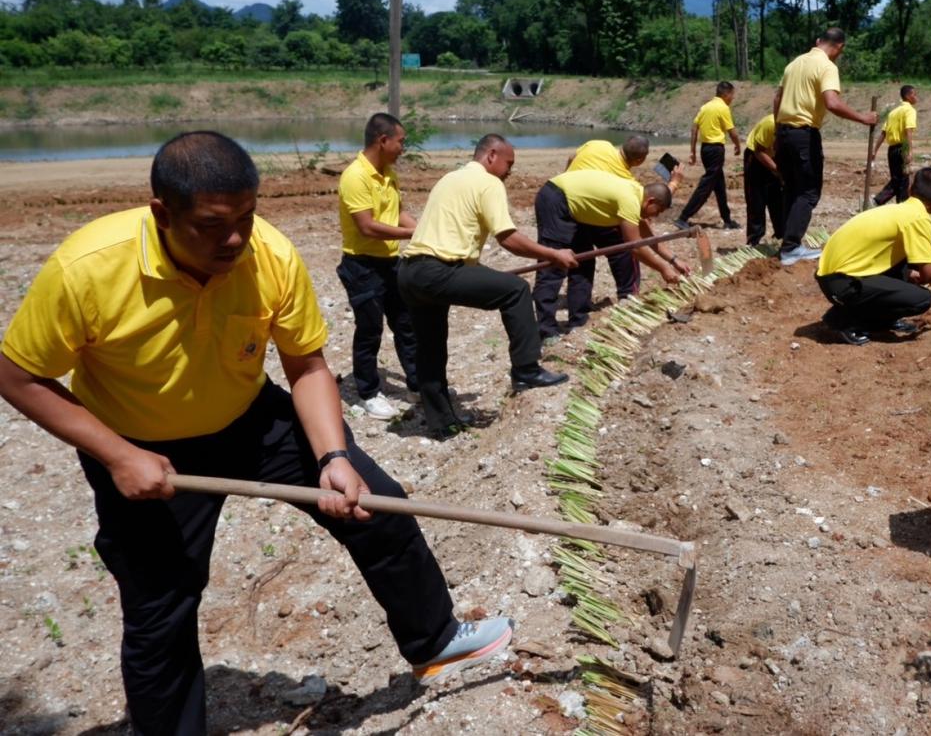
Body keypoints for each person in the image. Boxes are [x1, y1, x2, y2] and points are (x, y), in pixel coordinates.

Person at [0, 131, 514, 735]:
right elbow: (18, 374)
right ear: (162, 213)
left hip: (250, 419)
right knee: (161, 607)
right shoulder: (87, 268)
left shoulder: (268, 254)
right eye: (213, 225)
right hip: (139, 446)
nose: (236, 238)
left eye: (246, 217)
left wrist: (334, 455)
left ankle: (435, 640)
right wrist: (116, 454)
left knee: (377, 508)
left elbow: (306, 366)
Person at [399, 134, 577, 439]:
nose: (510, 171)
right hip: (437, 270)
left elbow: (451, 239)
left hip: (409, 273)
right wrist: (552, 254)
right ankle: (526, 369)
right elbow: (507, 238)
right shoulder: (489, 183)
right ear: (492, 155)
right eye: (509, 163)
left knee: (430, 349)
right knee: (516, 290)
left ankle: (442, 425)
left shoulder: (450, 178)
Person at [336, 113, 420, 420]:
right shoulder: (355, 176)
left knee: (406, 324)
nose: (403, 148)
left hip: (389, 262)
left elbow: (398, 213)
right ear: (382, 141)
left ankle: (416, 383)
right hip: (361, 265)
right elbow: (368, 227)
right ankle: (368, 392)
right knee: (370, 329)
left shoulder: (388, 174)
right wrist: (415, 234)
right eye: (401, 142)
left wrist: (425, 229)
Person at [773, 27, 879, 266]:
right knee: (808, 192)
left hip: (783, 131)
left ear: (818, 40)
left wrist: (776, 132)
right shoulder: (827, 66)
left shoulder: (794, 63)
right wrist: (863, 118)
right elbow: (831, 102)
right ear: (839, 47)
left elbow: (777, 99)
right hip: (803, 133)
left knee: (791, 188)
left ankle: (788, 243)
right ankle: (791, 247)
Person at [815, 167, 931, 345]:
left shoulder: (896, 211)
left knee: (906, 271)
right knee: (921, 299)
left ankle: (882, 322)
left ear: (910, 189)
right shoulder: (918, 218)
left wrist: (908, 274)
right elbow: (929, 275)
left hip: (830, 277)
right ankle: (843, 320)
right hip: (842, 284)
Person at [533, 171, 682, 339]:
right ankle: (546, 331)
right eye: (658, 211)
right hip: (556, 200)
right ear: (651, 201)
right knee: (553, 267)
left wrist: (673, 260)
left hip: (575, 208)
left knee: (584, 260)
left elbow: (645, 233)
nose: (655, 216)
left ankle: (578, 320)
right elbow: (634, 246)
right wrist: (663, 268)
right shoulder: (630, 200)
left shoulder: (636, 194)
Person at [564, 136, 684, 306]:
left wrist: (567, 184)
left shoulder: (599, 145)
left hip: (572, 206)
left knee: (582, 260)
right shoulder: (625, 181)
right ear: (640, 160)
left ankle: (578, 312)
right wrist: (674, 184)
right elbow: (642, 226)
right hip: (597, 215)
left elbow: (571, 158)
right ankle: (628, 297)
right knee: (625, 251)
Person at [676, 81, 741, 230]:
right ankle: (683, 217)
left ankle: (727, 219)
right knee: (706, 185)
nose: (733, 98)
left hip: (705, 149)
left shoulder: (705, 107)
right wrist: (737, 145)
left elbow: (694, 129)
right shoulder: (722, 108)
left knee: (719, 185)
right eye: (732, 95)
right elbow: (732, 131)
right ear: (725, 94)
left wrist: (692, 151)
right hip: (716, 150)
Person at [743, 113, 785, 246]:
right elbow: (758, 151)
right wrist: (777, 171)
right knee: (756, 199)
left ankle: (782, 234)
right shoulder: (770, 123)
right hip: (756, 157)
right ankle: (754, 240)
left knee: (778, 197)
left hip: (774, 155)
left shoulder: (797, 126)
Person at [873, 84, 919, 205]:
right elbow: (908, 130)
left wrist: (875, 150)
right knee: (903, 180)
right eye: (914, 94)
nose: (916, 97)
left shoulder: (893, 113)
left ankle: (892, 203)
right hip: (902, 146)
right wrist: (909, 151)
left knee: (897, 179)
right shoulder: (909, 110)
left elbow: (883, 133)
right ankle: (880, 201)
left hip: (891, 149)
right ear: (908, 96)